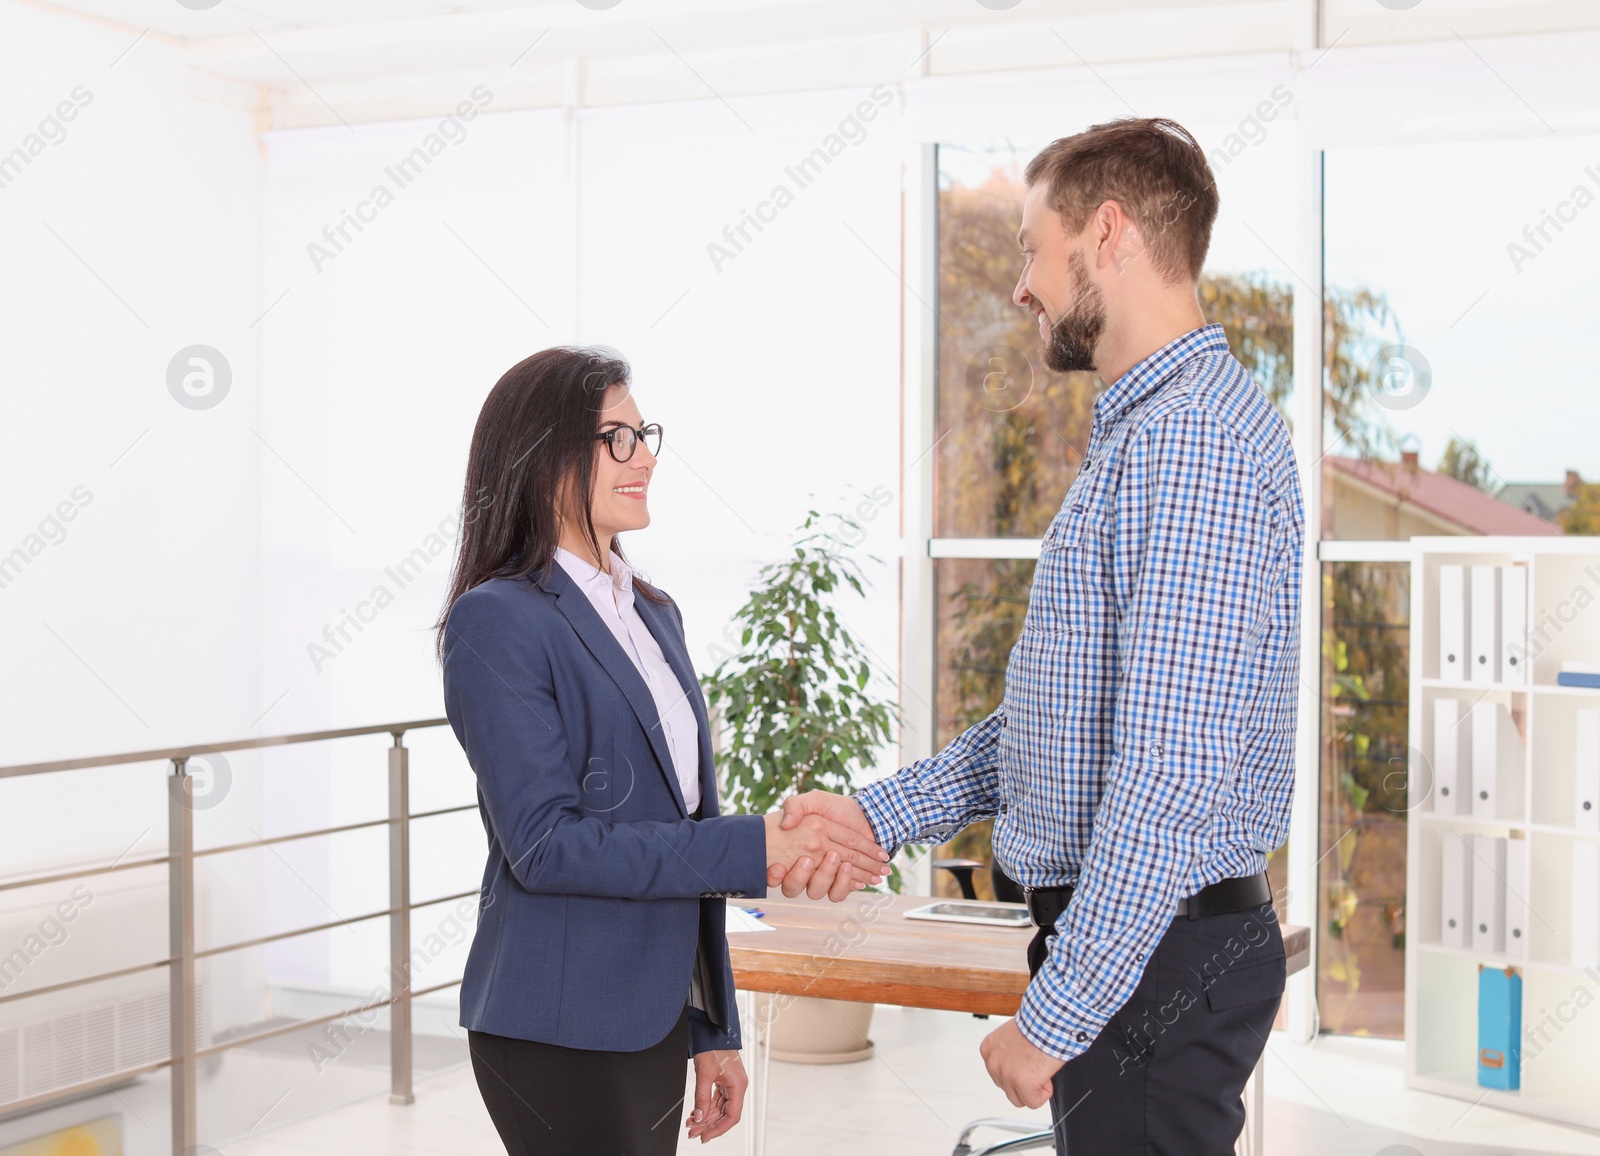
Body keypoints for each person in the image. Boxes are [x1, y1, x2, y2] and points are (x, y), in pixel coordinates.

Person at [773, 117, 1304, 1154]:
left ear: (1107, 233)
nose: (1021, 285)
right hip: (1149, 946)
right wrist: (879, 817)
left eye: (1031, 247)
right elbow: (1063, 720)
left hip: (1157, 961)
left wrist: (1054, 1017)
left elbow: (1166, 774)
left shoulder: (1191, 448)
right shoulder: (1150, 434)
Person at [437, 346, 890, 1155]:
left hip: (652, 1013)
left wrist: (711, 1025)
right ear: (544, 460)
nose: (644, 455)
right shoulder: (499, 620)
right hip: (560, 1021)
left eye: (644, 433)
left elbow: (684, 821)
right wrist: (758, 843)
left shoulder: (653, 612)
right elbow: (546, 845)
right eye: (617, 437)